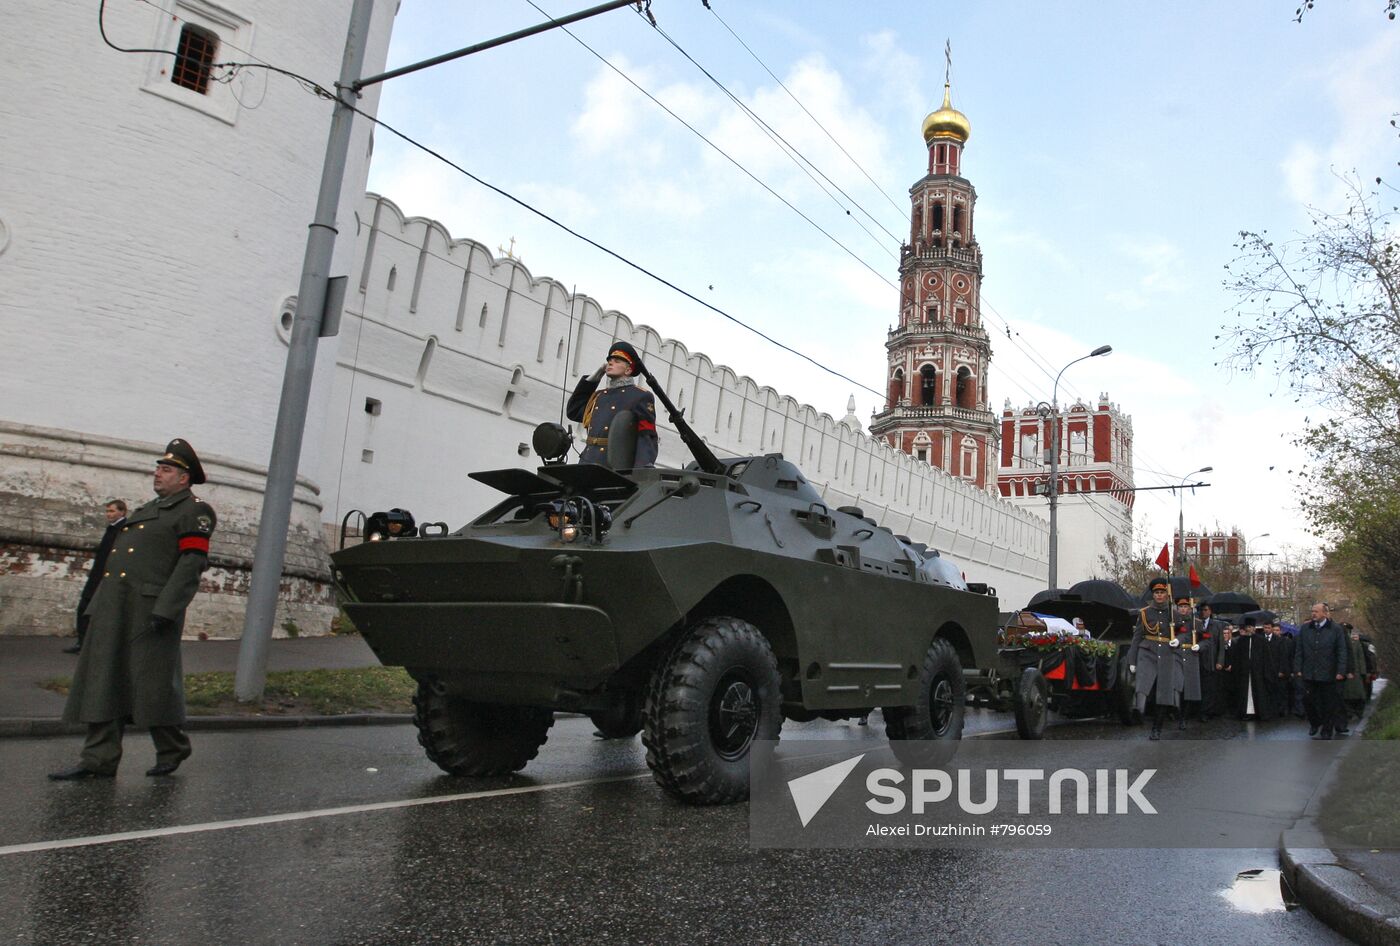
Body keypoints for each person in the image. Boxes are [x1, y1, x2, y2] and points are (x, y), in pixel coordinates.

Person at [49, 440, 216, 779]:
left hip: (151, 611)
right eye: (158, 468)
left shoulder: (194, 511)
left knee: (151, 686)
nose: (158, 473)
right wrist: (98, 604)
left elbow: (191, 565)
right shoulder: (149, 509)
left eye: (166, 469)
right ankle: (98, 760)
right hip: (116, 608)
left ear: (184, 478)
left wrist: (166, 609)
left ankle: (173, 747)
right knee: (104, 680)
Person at [565, 341, 659, 469]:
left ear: (628, 369)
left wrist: (639, 471)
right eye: (610, 360)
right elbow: (574, 411)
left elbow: (646, 437)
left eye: (617, 361)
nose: (611, 362)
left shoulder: (640, 396)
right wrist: (592, 380)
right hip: (587, 462)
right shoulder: (600, 396)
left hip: (614, 467)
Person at [65, 499, 128, 654]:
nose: (108, 514)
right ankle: (82, 642)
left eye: (112, 511)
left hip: (106, 577)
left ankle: (90, 645)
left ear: (122, 512)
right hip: (97, 575)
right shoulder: (112, 529)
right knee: (84, 607)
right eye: (107, 511)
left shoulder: (123, 530)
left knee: (97, 611)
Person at [1129, 578, 1186, 739]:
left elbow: (1184, 632)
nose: (1159, 596)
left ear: (1166, 595)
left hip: (1167, 653)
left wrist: (1178, 640)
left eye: (1162, 593)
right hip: (1147, 652)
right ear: (1153, 595)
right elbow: (1137, 636)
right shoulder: (1145, 612)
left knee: (1163, 692)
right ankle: (1138, 712)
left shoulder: (1174, 613)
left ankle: (1156, 728)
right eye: (1156, 593)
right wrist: (1132, 660)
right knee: (1143, 686)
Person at [1293, 602, 1349, 740]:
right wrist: (1298, 668)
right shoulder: (1305, 629)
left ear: (1325, 613)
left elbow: (1342, 651)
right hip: (1309, 672)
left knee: (1328, 703)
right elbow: (1299, 650)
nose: (1313, 614)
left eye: (1316, 611)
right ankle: (1315, 722)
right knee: (1308, 700)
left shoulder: (1336, 629)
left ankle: (1327, 729)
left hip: (1329, 673)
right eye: (1312, 611)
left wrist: (1341, 670)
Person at [1223, 618, 1273, 721]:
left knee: (1258, 692)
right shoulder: (1241, 640)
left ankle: (1259, 712)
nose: (1249, 629)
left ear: (1254, 628)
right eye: (1247, 627)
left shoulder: (1261, 640)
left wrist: (1265, 670)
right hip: (1244, 672)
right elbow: (1237, 657)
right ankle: (1246, 712)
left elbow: (1266, 657)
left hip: (1257, 671)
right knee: (1245, 692)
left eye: (1250, 627)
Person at [1172, 597, 1204, 729]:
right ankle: (1177, 714)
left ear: (1190, 608)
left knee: (1189, 690)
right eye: (1181, 607)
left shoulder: (1197, 623)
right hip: (1176, 655)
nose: (1183, 609)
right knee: (1176, 687)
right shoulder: (1173, 623)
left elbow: (1206, 639)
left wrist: (1200, 646)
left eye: (1185, 607)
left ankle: (1184, 718)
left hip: (1191, 655)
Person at [1196, 603, 1223, 720]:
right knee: (1200, 687)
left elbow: (1221, 645)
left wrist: (1220, 661)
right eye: (1201, 610)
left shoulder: (1217, 625)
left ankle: (1207, 712)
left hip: (1212, 660)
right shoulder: (1196, 623)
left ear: (1210, 611)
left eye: (1205, 610)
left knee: (1210, 688)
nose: (1203, 612)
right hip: (1198, 659)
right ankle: (1200, 710)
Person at [1342, 625, 1368, 724]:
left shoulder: (1356, 644)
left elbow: (1360, 658)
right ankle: (1350, 712)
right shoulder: (1342, 643)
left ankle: (1358, 712)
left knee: (1359, 694)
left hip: (1356, 673)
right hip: (1346, 673)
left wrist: (1363, 672)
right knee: (1347, 695)